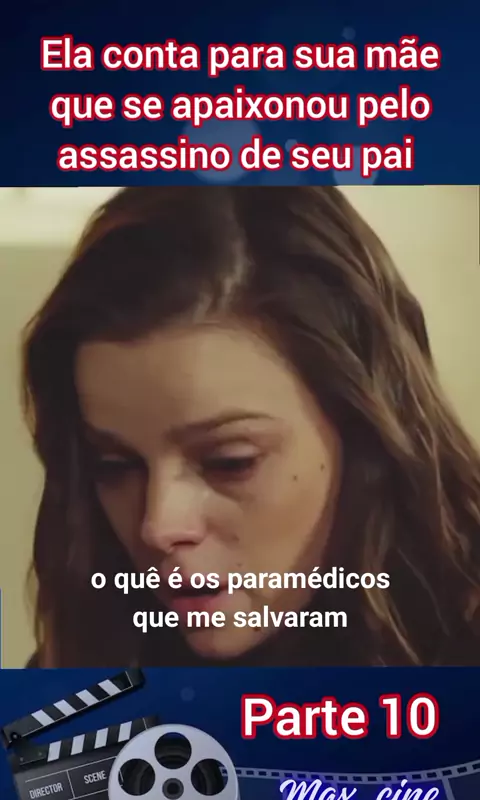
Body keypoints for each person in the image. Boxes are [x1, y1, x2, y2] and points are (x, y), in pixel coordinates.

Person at [22, 186, 480, 668]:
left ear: (364, 433)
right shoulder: (85, 675)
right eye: (114, 466)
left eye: (229, 462)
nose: (158, 526)